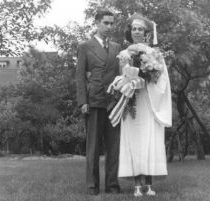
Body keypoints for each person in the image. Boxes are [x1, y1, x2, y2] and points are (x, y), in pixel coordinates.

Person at [117, 14, 172, 197]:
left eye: (141, 29)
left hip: (148, 100)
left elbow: (161, 78)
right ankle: (136, 185)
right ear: (130, 32)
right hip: (133, 99)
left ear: (146, 32)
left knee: (149, 139)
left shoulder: (154, 53)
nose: (137, 32)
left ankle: (148, 184)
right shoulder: (124, 53)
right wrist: (130, 80)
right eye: (134, 29)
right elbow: (121, 76)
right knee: (134, 140)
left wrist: (150, 75)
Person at [75, 9, 122, 195]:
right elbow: (79, 76)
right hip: (93, 101)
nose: (109, 27)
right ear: (97, 23)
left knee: (113, 147)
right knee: (93, 148)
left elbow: (120, 75)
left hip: (114, 103)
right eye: (106, 23)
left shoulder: (117, 48)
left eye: (112, 23)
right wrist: (82, 101)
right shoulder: (85, 46)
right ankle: (92, 187)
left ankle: (112, 186)